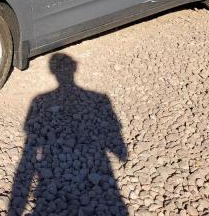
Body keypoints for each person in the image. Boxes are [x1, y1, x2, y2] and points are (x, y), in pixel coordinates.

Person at [9, 53, 129, 215]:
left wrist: (16, 207)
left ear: (52, 71)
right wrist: (121, 153)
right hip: (99, 170)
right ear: (75, 69)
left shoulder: (39, 100)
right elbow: (117, 142)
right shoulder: (99, 99)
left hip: (47, 176)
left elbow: (29, 147)